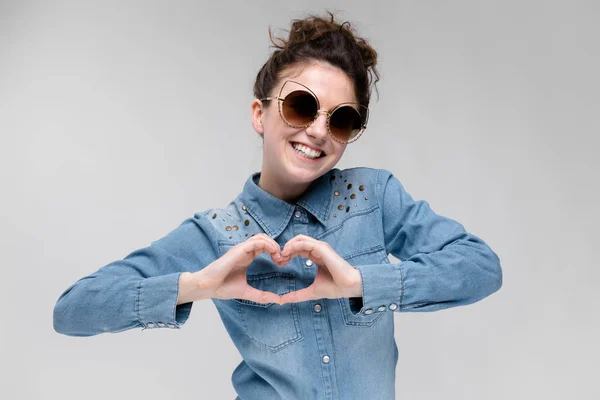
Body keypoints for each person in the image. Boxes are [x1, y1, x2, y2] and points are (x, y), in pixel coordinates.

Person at [53, 12, 502, 400]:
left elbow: (480, 267)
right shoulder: (218, 233)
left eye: (341, 119)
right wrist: (197, 285)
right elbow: (73, 310)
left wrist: (362, 282)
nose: (319, 132)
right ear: (259, 113)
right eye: (301, 107)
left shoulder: (374, 198)